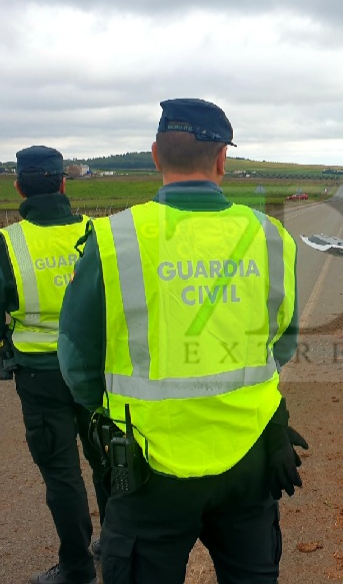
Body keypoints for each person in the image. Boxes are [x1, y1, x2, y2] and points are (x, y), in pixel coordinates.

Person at [58, 98, 306, 584]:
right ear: (222, 160)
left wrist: (111, 413)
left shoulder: (113, 239)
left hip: (148, 464)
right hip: (250, 456)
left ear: (155, 155)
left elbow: (77, 362)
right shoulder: (271, 237)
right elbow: (282, 344)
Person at [0, 145, 109, 584]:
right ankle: (118, 545)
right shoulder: (101, 233)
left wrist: (9, 340)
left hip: (40, 376)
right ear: (64, 183)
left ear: (18, 187)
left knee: (62, 476)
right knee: (107, 459)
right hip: (99, 371)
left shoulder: (4, 245)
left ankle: (77, 570)